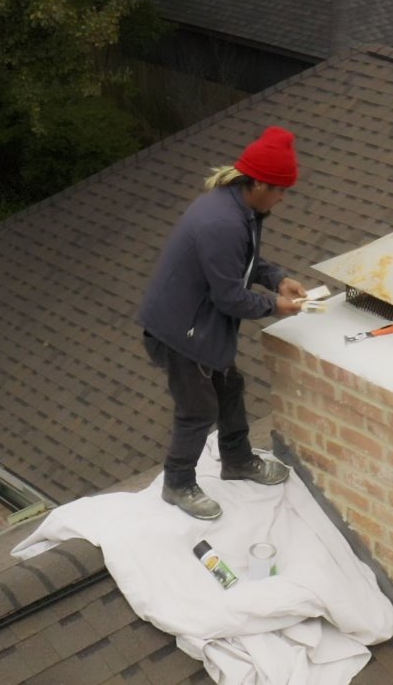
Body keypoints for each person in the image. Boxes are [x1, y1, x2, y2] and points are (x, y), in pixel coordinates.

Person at [137, 126, 308, 520]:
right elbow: (229, 297)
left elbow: (244, 264)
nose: (284, 198)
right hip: (181, 331)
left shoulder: (241, 208)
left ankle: (237, 461)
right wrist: (275, 306)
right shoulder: (222, 222)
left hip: (200, 322)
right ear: (260, 184)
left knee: (230, 387)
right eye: (281, 190)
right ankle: (177, 483)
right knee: (198, 409)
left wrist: (277, 277)